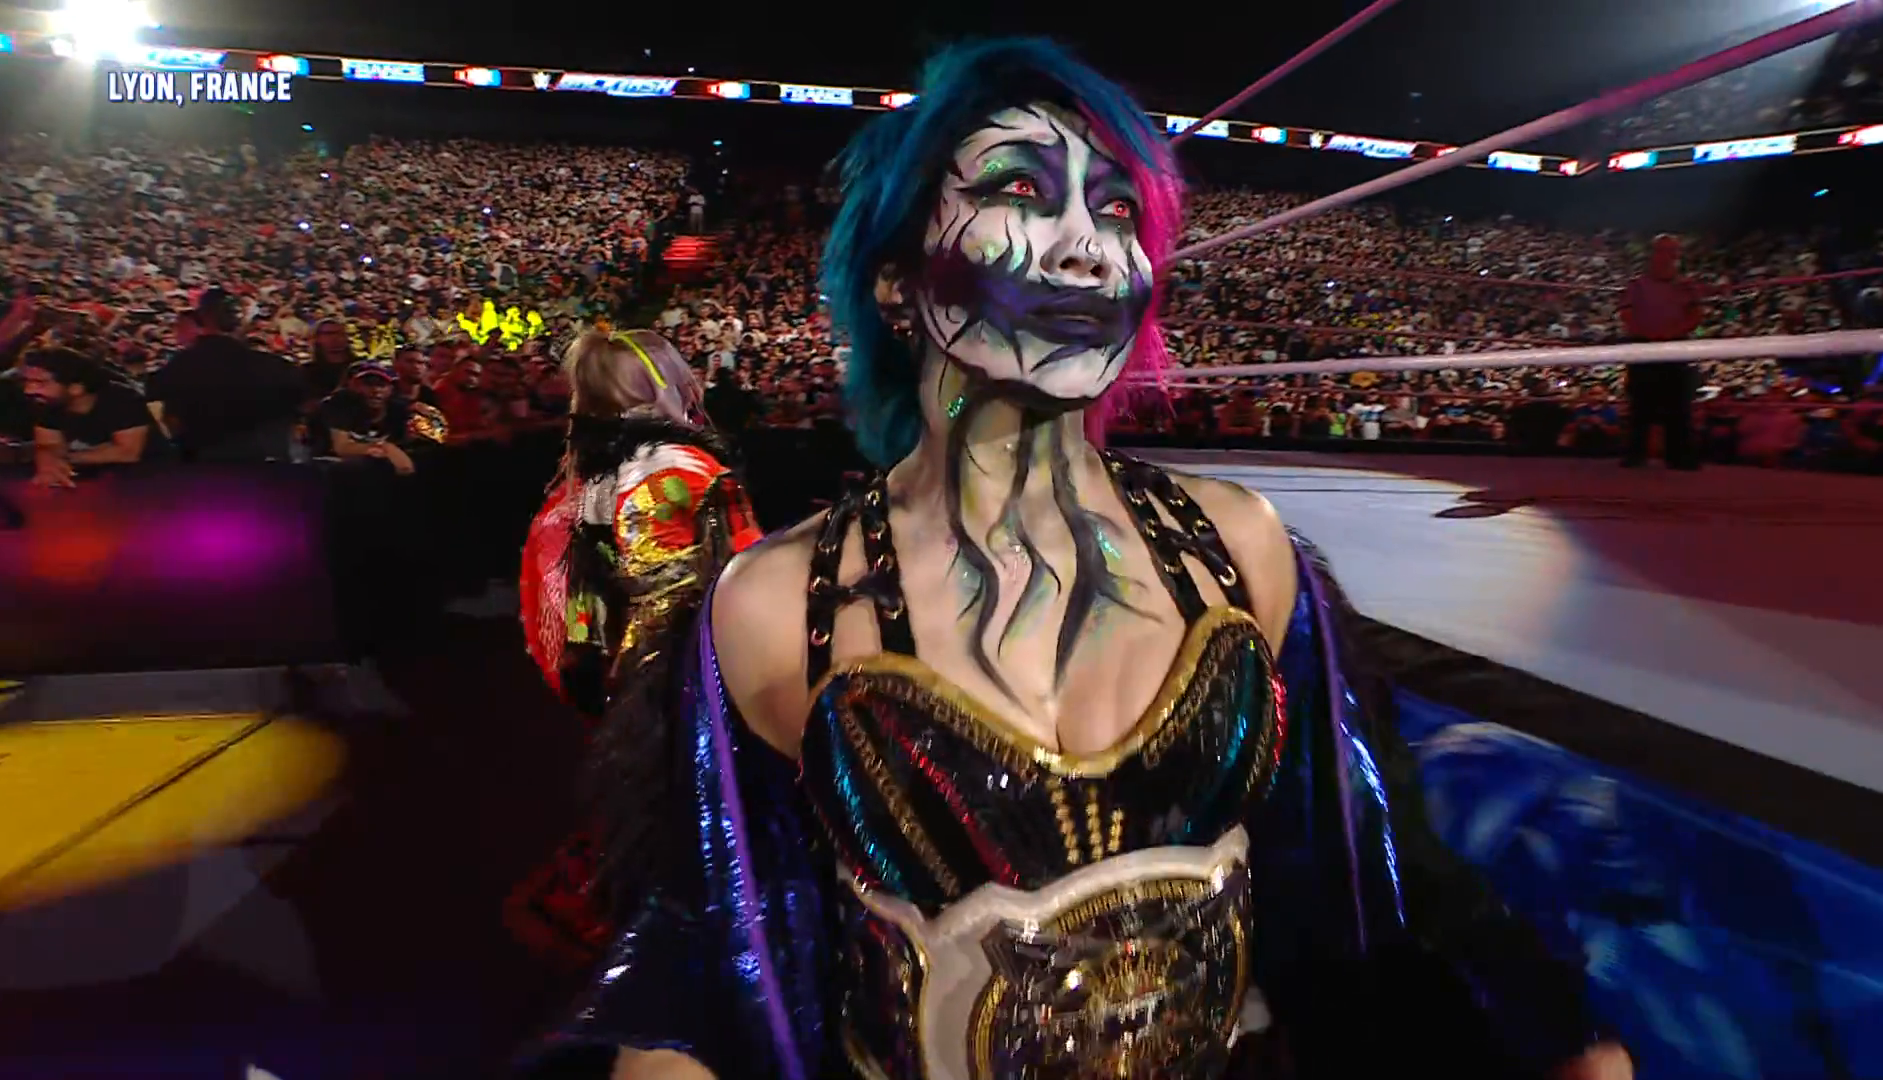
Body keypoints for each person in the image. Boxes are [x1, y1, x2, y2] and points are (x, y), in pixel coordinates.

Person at [523, 41, 1628, 1080]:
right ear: (895, 279)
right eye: (1018, 190)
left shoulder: (1241, 548)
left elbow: (1373, 862)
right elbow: (710, 957)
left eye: (1115, 209)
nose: (1085, 246)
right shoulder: (773, 606)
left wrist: (1558, 1037)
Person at [508, 328, 763, 966]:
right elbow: (726, 578)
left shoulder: (605, 470)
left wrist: (594, 663)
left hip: (630, 665)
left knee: (651, 796)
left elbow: (592, 590)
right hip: (690, 664)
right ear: (661, 383)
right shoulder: (681, 468)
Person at [145, 287, 305, 462]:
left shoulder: (182, 365)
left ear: (202, 318)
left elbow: (163, 409)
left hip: (203, 461)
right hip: (264, 461)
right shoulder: (274, 366)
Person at [1618, 236, 1702, 470]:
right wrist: (1648, 334)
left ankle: (1679, 456)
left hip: (1675, 347)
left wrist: (1672, 333)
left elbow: (1696, 316)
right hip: (1644, 346)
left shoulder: (1687, 285)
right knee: (1640, 403)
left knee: (1679, 403)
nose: (1667, 256)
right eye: (1662, 251)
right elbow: (1626, 314)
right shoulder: (1636, 285)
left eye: (1671, 251)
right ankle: (1635, 454)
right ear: (1652, 254)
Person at [23, 346, 156, 487]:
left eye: (40, 383)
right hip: (88, 482)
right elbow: (49, 445)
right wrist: (48, 460)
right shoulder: (48, 403)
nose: (28, 390)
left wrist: (61, 458)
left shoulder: (122, 398)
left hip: (147, 481)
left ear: (76, 388)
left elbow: (127, 452)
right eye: (27, 381)